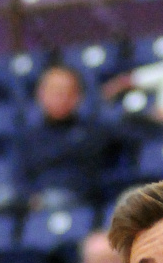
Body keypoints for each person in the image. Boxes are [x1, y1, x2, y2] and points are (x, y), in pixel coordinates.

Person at [15, 65, 134, 210]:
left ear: (77, 96)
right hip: (35, 204)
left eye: (66, 91)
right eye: (54, 91)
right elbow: (19, 177)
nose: (60, 97)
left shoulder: (95, 131)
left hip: (80, 202)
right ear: (41, 94)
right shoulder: (27, 137)